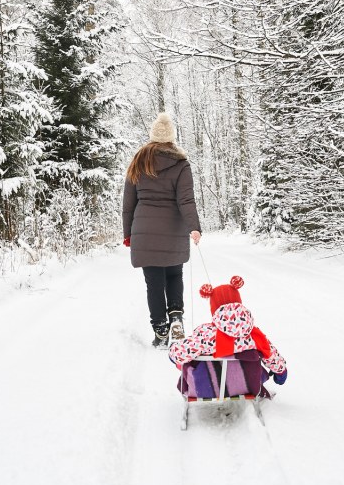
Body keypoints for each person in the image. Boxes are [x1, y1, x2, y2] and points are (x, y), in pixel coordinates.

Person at [123, 113, 202, 348]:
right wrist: (194, 227)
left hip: (144, 230)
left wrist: (128, 233)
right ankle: (176, 315)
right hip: (173, 228)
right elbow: (186, 200)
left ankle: (160, 330)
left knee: (153, 282)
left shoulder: (138, 161)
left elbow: (128, 204)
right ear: (171, 138)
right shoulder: (181, 164)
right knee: (174, 274)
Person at [168, 275, 288, 390]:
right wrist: (281, 372)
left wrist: (173, 352)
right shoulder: (254, 334)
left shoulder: (207, 334)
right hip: (247, 386)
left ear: (214, 308)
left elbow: (180, 354)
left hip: (210, 386)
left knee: (187, 360)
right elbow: (271, 353)